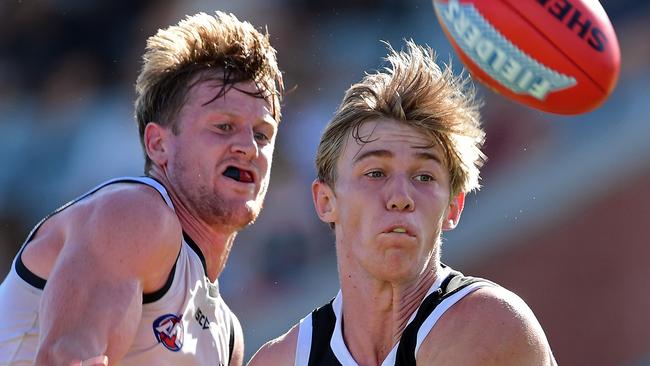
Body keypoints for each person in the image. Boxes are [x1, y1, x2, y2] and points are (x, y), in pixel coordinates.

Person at [0, 11, 283, 366]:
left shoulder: (227, 334)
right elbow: (64, 359)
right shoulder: (136, 213)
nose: (249, 147)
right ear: (158, 144)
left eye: (262, 134)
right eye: (224, 126)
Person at [248, 40, 557, 366]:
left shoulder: (487, 323)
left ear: (453, 207)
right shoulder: (279, 359)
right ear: (326, 201)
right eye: (376, 172)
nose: (400, 198)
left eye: (424, 177)